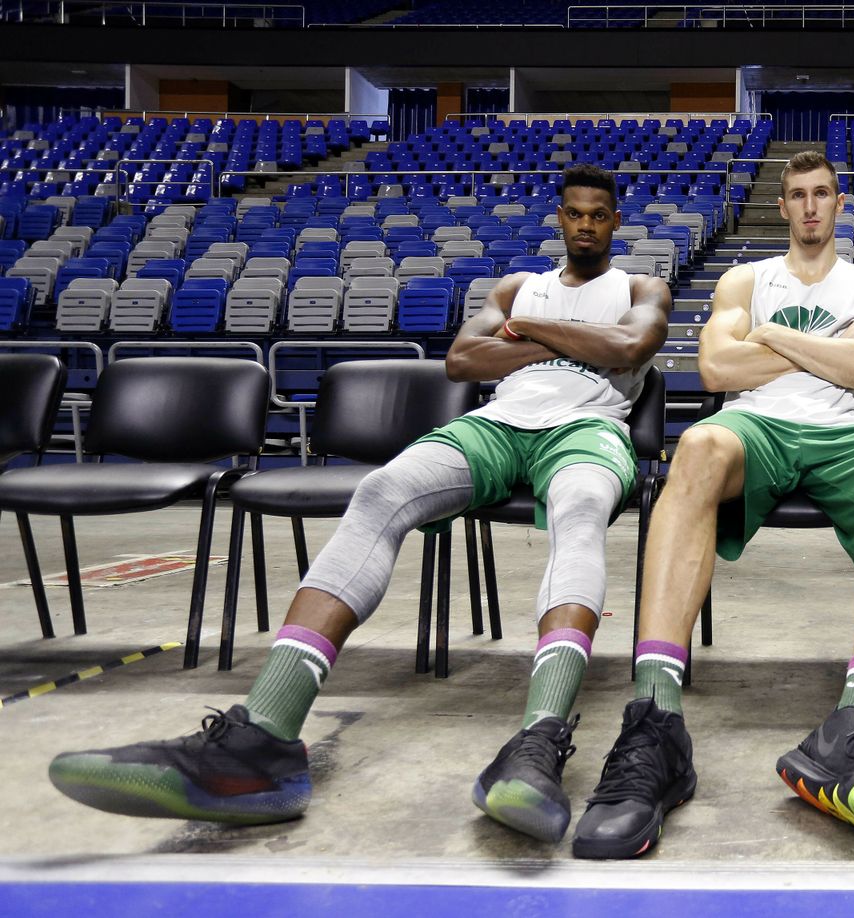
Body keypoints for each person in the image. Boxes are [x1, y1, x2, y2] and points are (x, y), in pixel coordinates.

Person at [47, 164, 671, 846]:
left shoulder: (636, 287)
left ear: (615, 220)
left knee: (581, 511)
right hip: (493, 428)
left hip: (589, 431)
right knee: (381, 489)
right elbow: (462, 363)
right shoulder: (519, 286)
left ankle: (538, 741)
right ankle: (263, 744)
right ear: (559, 217)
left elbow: (631, 346)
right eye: (574, 212)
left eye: (599, 214)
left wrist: (530, 332)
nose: (585, 224)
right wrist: (565, 337)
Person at [567, 150, 854, 860]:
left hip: (847, 432)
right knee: (699, 448)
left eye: (823, 194)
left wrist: (768, 337)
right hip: (757, 426)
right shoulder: (745, 278)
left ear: (841, 204)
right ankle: (655, 721)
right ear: (782, 207)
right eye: (798, 195)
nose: (810, 206)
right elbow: (719, 368)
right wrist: (819, 347)